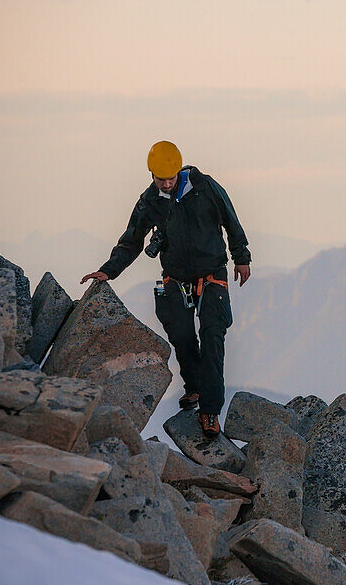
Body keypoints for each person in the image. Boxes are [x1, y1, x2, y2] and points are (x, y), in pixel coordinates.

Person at [82, 140, 251, 438]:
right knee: (182, 336)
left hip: (213, 275)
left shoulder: (205, 187)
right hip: (175, 278)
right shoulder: (149, 203)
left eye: (171, 177)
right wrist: (109, 270)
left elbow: (230, 220)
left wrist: (242, 258)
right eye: (162, 179)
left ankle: (210, 411)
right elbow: (131, 241)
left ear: (178, 170)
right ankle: (195, 389)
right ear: (152, 175)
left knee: (212, 338)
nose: (168, 183)